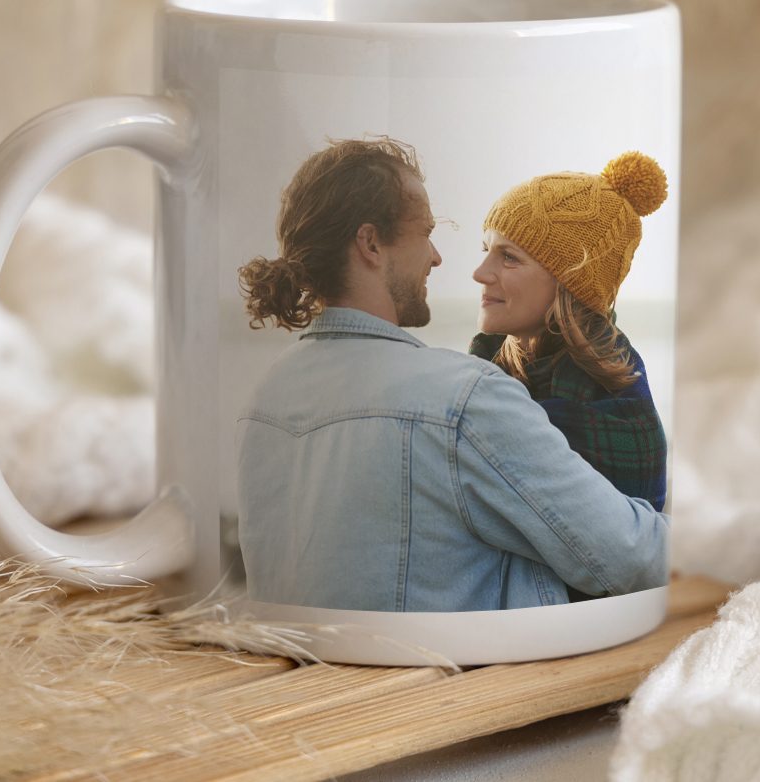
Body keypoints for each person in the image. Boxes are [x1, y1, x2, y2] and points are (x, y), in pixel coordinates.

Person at [235, 137, 668, 613]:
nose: (440, 258)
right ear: (371, 244)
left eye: (507, 255)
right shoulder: (464, 400)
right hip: (454, 682)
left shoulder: (263, 397)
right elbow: (632, 555)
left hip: (312, 679)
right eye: (426, 231)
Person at [470, 152, 668, 516]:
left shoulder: (619, 414)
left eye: (508, 257)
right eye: (485, 251)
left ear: (569, 283)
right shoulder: (482, 376)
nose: (480, 272)